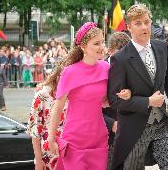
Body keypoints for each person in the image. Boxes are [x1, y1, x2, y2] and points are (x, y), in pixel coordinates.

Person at [107, 4, 168, 170]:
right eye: (138, 23)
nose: (144, 27)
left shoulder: (162, 48)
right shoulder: (120, 59)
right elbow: (114, 100)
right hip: (134, 130)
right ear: (129, 27)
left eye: (147, 22)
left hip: (161, 124)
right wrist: (148, 101)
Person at [48, 22, 131, 170]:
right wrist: (51, 137)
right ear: (83, 47)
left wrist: (125, 94)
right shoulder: (69, 72)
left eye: (102, 42)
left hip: (98, 138)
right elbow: (57, 108)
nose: (101, 47)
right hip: (74, 139)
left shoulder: (106, 68)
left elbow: (107, 101)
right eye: (96, 43)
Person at [27, 64, 67, 170]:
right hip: (49, 155)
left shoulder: (75, 93)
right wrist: (38, 160)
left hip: (72, 152)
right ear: (57, 75)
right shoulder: (43, 95)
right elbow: (34, 130)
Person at [103, 32, 131, 170]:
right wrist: (111, 123)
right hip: (105, 136)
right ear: (109, 51)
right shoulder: (99, 71)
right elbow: (88, 107)